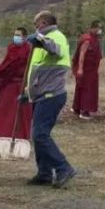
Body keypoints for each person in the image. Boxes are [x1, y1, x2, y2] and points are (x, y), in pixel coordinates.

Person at [23, 10, 76, 188]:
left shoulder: (55, 36)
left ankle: (63, 168)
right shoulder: (41, 42)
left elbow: (57, 51)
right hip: (41, 94)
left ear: (44, 23)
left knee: (40, 134)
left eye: (36, 24)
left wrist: (41, 40)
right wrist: (28, 92)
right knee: (39, 135)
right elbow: (37, 70)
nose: (35, 27)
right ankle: (44, 173)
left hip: (52, 94)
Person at [0, 28, 33, 140]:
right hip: (9, 84)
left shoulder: (29, 49)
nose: (16, 37)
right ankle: (2, 133)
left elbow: (30, 68)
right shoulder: (11, 48)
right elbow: (6, 65)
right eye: (15, 35)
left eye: (18, 35)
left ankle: (21, 135)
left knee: (21, 112)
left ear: (24, 37)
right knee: (3, 110)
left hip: (21, 85)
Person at [71, 21, 103, 120]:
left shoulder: (95, 39)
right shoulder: (87, 40)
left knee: (82, 87)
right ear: (93, 28)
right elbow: (82, 54)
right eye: (98, 28)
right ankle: (85, 111)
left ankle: (76, 108)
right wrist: (80, 69)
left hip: (92, 68)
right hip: (86, 69)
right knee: (87, 89)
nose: (99, 31)